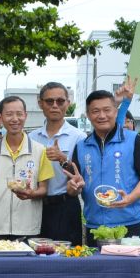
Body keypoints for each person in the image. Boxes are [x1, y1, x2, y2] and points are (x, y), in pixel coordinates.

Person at [66, 79, 140, 242]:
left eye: (107, 110)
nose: (101, 115)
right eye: (95, 111)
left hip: (129, 223)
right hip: (95, 225)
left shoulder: (134, 139)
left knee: (128, 268)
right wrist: (73, 187)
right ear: (88, 115)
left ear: (116, 111)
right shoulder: (81, 146)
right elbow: (73, 188)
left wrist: (130, 197)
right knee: (97, 268)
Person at [0, 95, 54, 240]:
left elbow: (44, 189)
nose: (15, 119)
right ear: (0, 118)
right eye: (9, 114)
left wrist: (31, 194)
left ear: (25, 116)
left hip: (28, 228)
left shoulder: (40, 151)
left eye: (19, 114)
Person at [33, 82, 85, 245]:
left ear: (68, 104)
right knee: (36, 256)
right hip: (36, 205)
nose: (55, 105)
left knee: (68, 258)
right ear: (40, 103)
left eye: (60, 101)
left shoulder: (79, 137)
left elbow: (83, 175)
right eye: (49, 101)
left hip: (66, 205)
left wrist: (63, 158)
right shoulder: (31, 138)